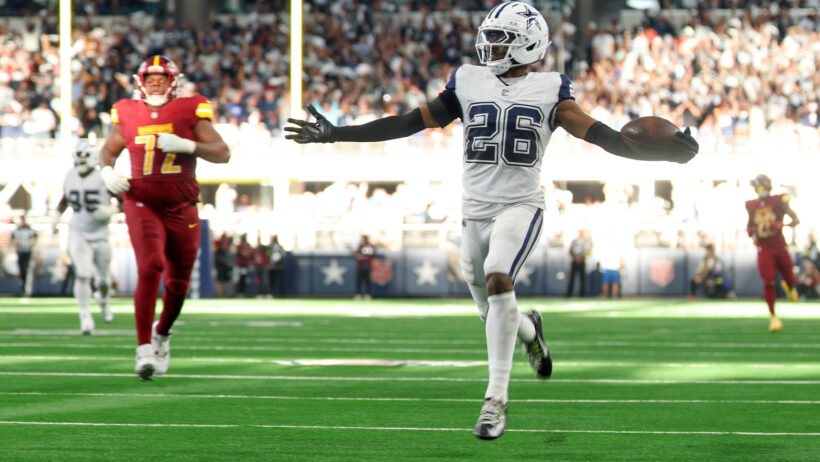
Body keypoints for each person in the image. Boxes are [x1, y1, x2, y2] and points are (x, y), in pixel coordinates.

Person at [284, 1, 697, 440]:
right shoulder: (468, 80)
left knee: (499, 275)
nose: (491, 45)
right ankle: (529, 329)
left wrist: (661, 153)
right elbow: (409, 122)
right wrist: (338, 134)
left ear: (528, 45)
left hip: (520, 206)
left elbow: (604, 136)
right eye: (491, 36)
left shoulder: (551, 89)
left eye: (502, 38)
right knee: (492, 310)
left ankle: (494, 402)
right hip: (474, 210)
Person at [99, 55, 230, 380]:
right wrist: (105, 171)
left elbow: (223, 153)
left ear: (173, 81)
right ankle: (143, 348)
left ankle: (162, 334)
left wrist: (189, 145)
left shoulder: (191, 109)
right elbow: (109, 148)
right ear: (140, 80)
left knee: (177, 283)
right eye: (150, 77)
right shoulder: (127, 111)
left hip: (183, 204)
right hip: (140, 199)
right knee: (150, 265)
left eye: (161, 77)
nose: (155, 82)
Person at [54, 140, 116, 335]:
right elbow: (64, 200)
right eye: (77, 156)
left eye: (83, 156)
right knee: (82, 274)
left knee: (104, 281)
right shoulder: (70, 175)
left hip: (100, 234)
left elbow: (123, 200)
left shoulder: (104, 177)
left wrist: (109, 210)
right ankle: (85, 317)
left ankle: (104, 302)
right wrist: (56, 216)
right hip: (78, 232)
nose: (80, 160)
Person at [745, 174, 800, 333]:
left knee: (789, 277)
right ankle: (773, 317)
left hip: (779, 243)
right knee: (768, 280)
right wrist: (753, 231)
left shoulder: (779, 201)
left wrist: (783, 224)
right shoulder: (751, 205)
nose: (761, 189)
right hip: (764, 246)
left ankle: (790, 286)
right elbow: (749, 226)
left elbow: (796, 220)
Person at [10, 216, 37, 296]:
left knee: (27, 270)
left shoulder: (30, 230)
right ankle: (22, 288)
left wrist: (32, 244)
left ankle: (28, 290)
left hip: (28, 251)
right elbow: (13, 239)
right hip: (20, 251)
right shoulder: (17, 230)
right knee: (21, 270)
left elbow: (35, 237)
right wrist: (15, 244)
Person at [565, 230, 590, 297]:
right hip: (574, 261)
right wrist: (575, 259)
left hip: (582, 261)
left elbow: (588, 252)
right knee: (572, 278)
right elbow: (570, 251)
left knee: (582, 278)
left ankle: (582, 294)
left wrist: (582, 259)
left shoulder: (586, 242)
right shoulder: (574, 241)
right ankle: (569, 294)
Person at [353, 234, 375, 300]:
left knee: (367, 280)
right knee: (359, 280)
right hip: (360, 265)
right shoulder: (360, 246)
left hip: (366, 265)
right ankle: (358, 294)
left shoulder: (368, 247)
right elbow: (355, 255)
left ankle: (367, 294)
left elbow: (372, 255)